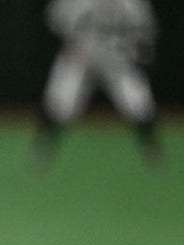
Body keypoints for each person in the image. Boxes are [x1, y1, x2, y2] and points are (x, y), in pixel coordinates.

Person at [34, 0, 163, 166]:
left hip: (117, 59)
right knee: (61, 101)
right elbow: (56, 18)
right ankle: (43, 147)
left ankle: (151, 149)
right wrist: (71, 43)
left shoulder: (133, 4)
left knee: (138, 101)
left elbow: (145, 32)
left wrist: (140, 53)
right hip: (81, 58)